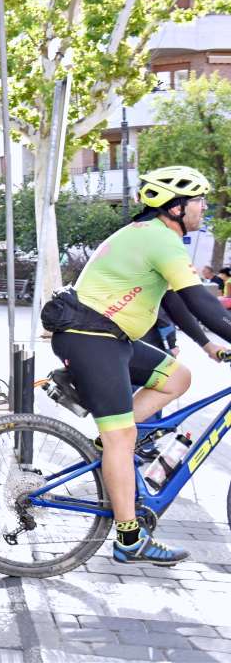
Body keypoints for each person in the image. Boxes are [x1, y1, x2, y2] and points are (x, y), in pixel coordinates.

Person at [41, 165, 231, 567]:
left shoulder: (151, 236)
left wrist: (206, 344)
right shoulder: (160, 240)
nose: (203, 207)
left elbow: (173, 300)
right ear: (175, 206)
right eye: (198, 200)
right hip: (92, 339)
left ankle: (107, 446)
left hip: (112, 339)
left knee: (177, 377)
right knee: (122, 436)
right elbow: (201, 301)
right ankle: (129, 539)